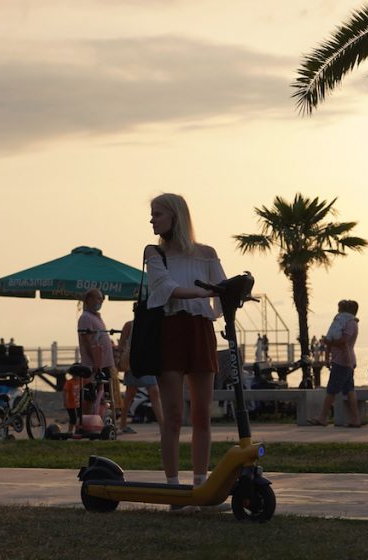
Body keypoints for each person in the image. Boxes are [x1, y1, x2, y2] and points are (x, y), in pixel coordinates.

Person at [146, 192, 226, 509]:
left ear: (175, 216)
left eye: (157, 214)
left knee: (202, 414)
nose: (152, 220)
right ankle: (173, 488)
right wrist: (206, 291)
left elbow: (221, 289)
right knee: (173, 417)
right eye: (152, 214)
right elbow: (166, 289)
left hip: (200, 329)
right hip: (170, 330)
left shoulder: (206, 253)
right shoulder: (154, 252)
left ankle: (201, 485)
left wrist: (234, 294)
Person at [308, 300, 361, 427]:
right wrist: (328, 350)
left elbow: (344, 341)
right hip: (343, 361)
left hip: (342, 362)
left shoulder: (350, 324)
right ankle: (355, 419)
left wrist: (329, 343)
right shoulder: (343, 323)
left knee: (332, 390)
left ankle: (322, 417)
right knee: (349, 390)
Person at [117, 318, 164, 434]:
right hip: (133, 362)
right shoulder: (130, 325)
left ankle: (163, 426)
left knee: (152, 392)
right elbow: (122, 344)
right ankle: (123, 423)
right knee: (131, 393)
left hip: (147, 362)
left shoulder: (151, 324)